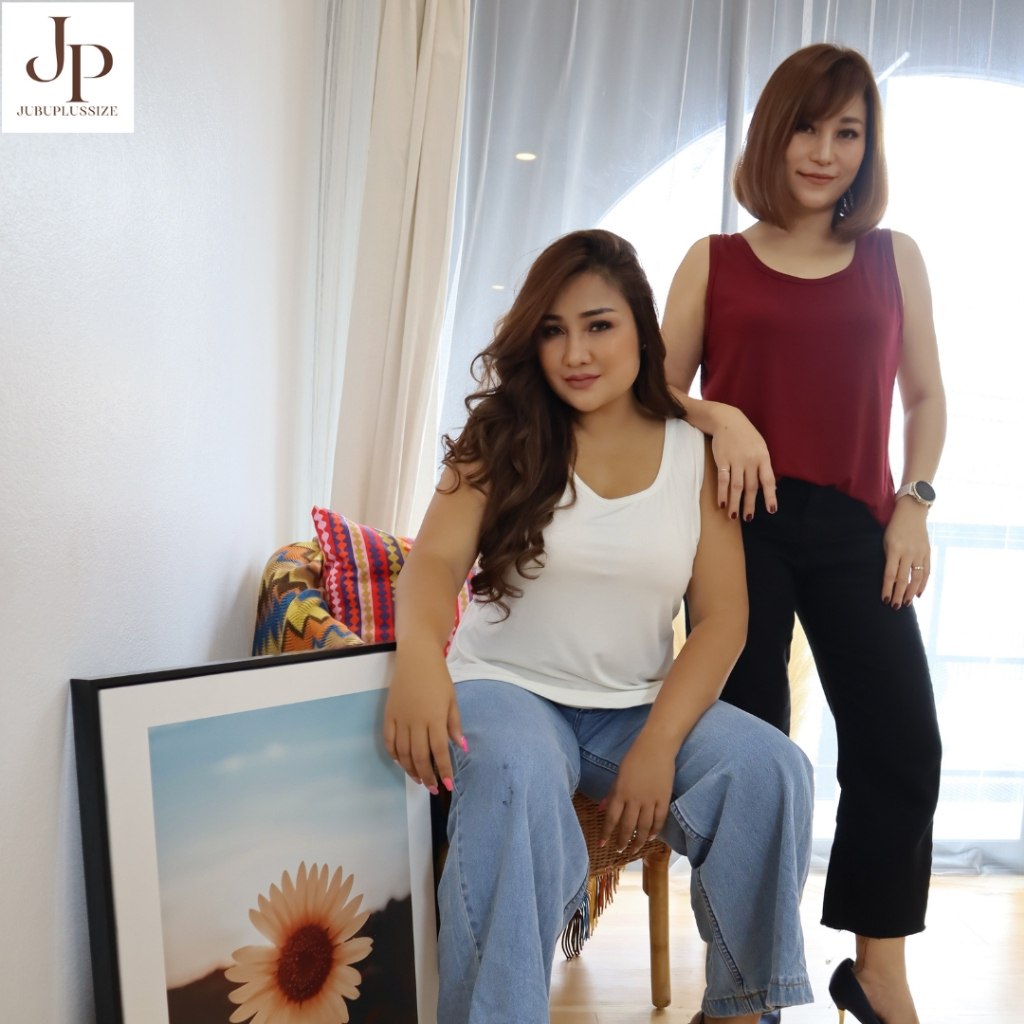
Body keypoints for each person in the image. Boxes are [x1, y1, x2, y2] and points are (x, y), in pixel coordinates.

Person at [384, 229, 813, 1024]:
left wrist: (659, 744)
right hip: (506, 689)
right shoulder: (503, 436)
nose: (575, 353)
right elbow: (435, 562)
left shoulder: (696, 453)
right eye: (553, 330)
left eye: (598, 325)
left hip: (634, 708)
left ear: (641, 332)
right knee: (513, 771)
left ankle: (741, 1012)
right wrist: (417, 656)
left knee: (771, 769)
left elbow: (723, 620)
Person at [661, 44, 945, 1024]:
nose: (825, 151)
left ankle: (877, 972)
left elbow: (926, 395)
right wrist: (721, 417)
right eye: (807, 128)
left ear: (868, 147)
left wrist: (914, 502)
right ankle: (744, 988)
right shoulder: (716, 261)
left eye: (847, 132)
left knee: (902, 739)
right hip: (739, 526)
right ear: (772, 134)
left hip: (858, 523)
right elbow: (651, 389)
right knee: (750, 757)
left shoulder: (893, 258)